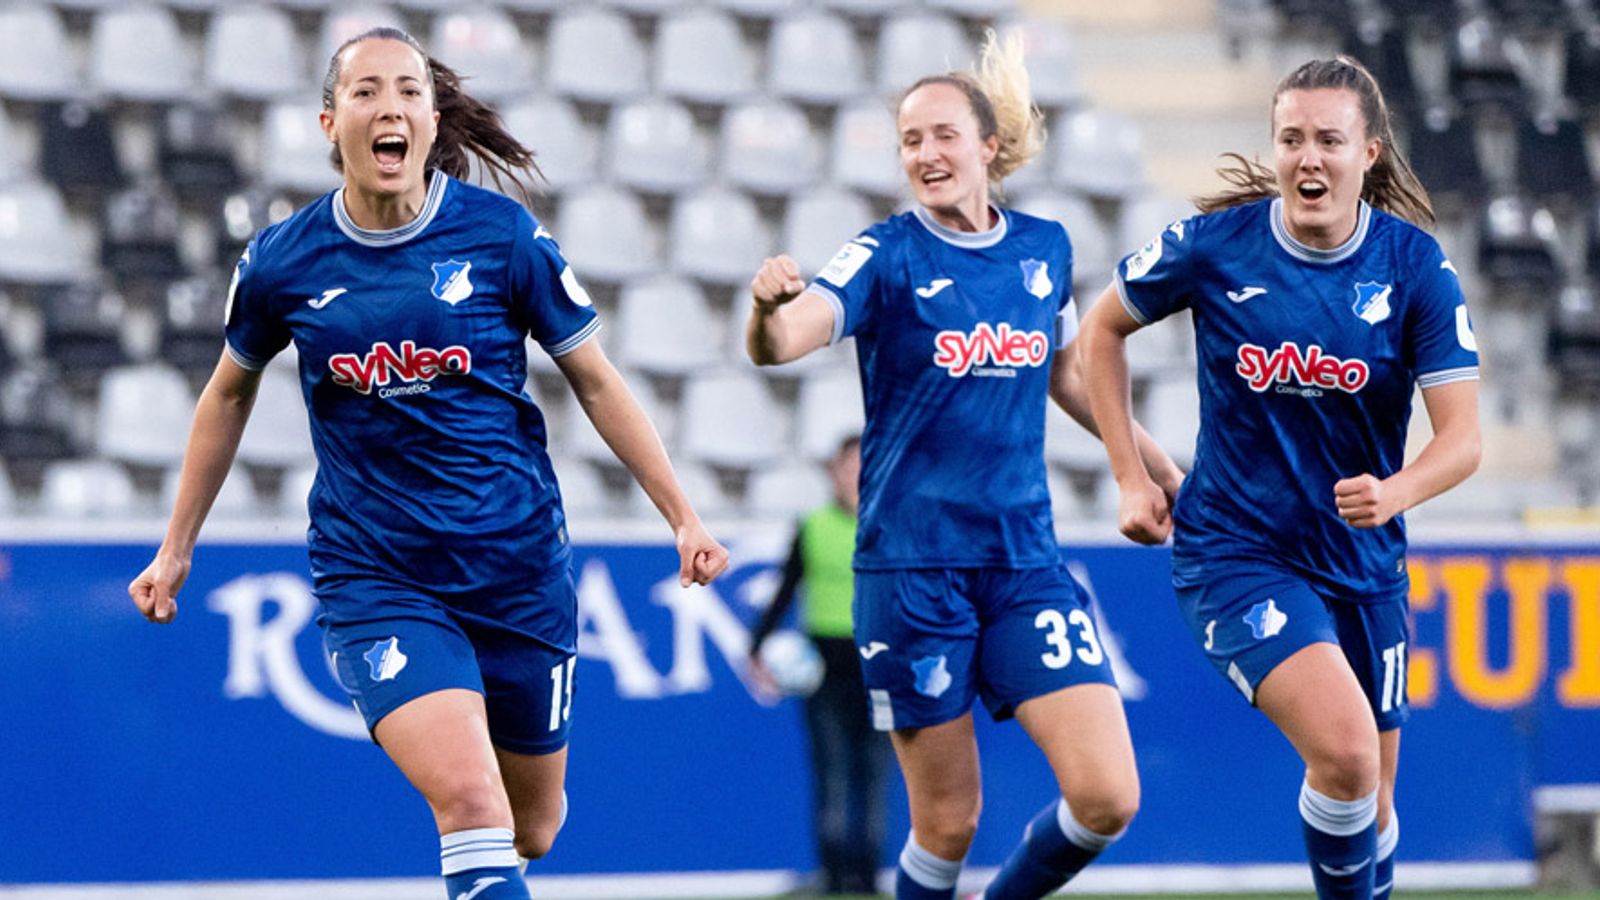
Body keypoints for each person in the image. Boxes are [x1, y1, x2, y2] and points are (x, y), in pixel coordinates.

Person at [127, 28, 729, 900]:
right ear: (330, 124)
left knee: (533, 827)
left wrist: (683, 513)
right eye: (366, 92)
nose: (389, 108)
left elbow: (595, 381)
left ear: (430, 116)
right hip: (379, 578)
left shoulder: (502, 237)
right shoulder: (281, 264)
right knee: (470, 799)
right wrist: (177, 546)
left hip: (515, 568)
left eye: (407, 90)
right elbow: (227, 395)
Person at [746, 30, 1184, 900]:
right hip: (912, 571)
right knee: (947, 823)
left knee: (1107, 796)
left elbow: (1065, 373)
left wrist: (1158, 470)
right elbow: (788, 340)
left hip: (1023, 563)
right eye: (910, 140)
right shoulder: (886, 254)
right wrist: (766, 312)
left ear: (989, 146)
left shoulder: (1044, 249)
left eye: (943, 134)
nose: (926, 153)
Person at [1078, 56, 1481, 900]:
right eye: (1291, 138)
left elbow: (1464, 441)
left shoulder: (1416, 270)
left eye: (1329, 140)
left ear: (1369, 151)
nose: (1308, 158)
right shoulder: (1214, 248)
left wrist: (1396, 492)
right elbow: (1100, 332)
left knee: (1371, 807)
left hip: (1364, 564)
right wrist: (1128, 475)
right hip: (1236, 553)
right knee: (1344, 752)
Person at [748, 435, 891, 895]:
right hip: (824, 666)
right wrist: (757, 648)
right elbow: (787, 590)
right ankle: (832, 877)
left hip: (879, 664)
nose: (853, 476)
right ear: (833, 472)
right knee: (831, 772)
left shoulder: (887, 525)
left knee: (873, 774)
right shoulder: (812, 526)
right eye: (845, 467)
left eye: (861, 467)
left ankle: (867, 877)